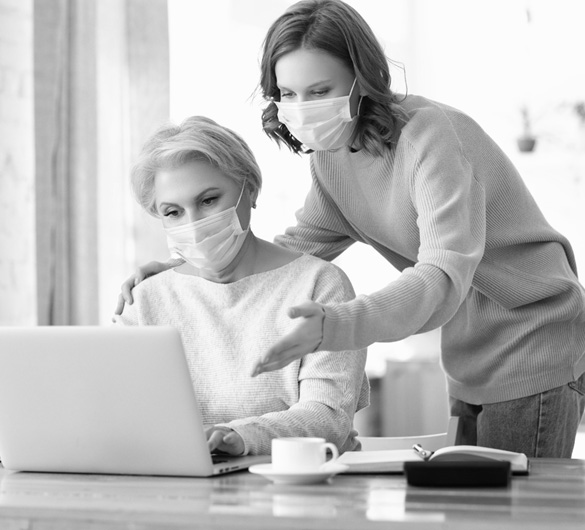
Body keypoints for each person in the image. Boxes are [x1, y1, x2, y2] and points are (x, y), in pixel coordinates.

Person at [116, 0, 585, 458]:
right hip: (469, 349)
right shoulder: (333, 159)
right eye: (289, 94)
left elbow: (442, 276)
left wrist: (334, 325)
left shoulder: (431, 138)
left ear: (362, 78)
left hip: (532, 332)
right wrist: (183, 268)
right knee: (474, 506)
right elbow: (292, 253)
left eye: (320, 90)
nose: (301, 108)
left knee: (515, 510)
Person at [113, 115, 369, 457]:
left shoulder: (320, 286)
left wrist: (238, 436)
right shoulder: (145, 300)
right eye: (173, 212)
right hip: (178, 489)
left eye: (208, 201)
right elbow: (122, 416)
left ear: (249, 189)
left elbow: (328, 418)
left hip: (299, 488)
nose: (195, 225)